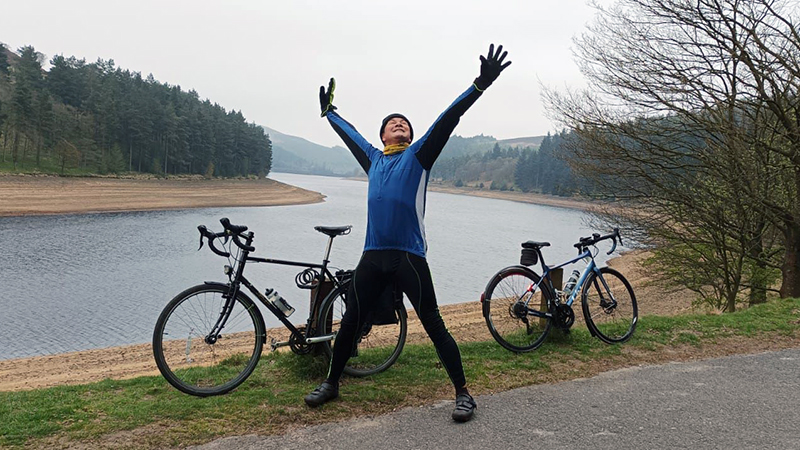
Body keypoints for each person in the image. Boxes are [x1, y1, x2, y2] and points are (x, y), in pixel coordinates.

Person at [305, 44, 511, 423]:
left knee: (433, 324)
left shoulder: (419, 156)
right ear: (382, 134)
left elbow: (448, 119)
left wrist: (479, 86)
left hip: (408, 256)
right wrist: (329, 113)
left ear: (411, 134)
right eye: (392, 122)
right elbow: (349, 134)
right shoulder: (373, 159)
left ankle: (463, 393)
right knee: (350, 321)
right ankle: (331, 383)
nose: (399, 124)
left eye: (404, 123)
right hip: (372, 254)